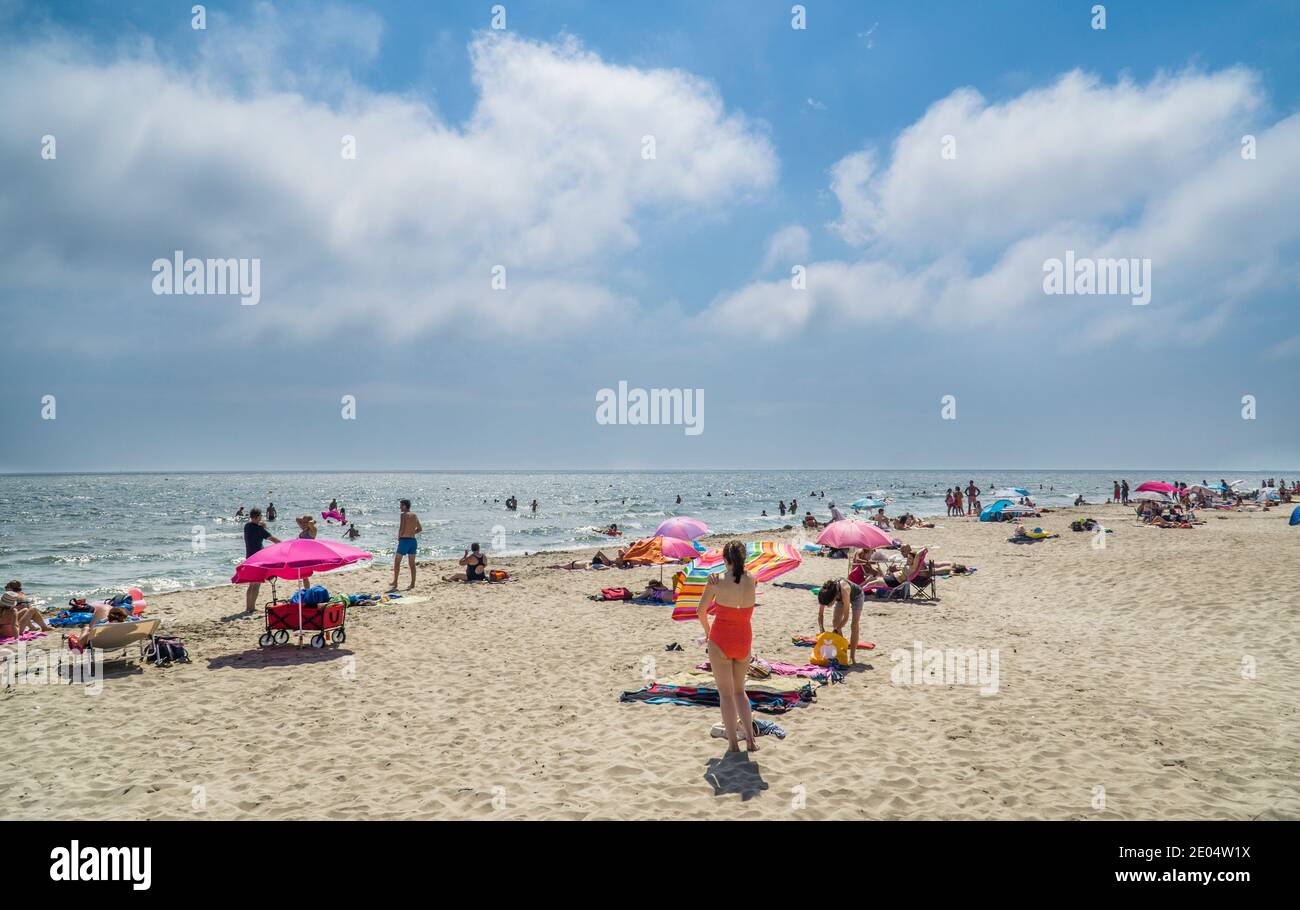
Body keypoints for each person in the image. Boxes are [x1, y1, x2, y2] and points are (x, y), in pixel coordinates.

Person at [695, 541, 758, 753]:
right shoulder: (753, 579)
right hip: (743, 641)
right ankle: (750, 740)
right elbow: (741, 578)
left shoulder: (716, 581)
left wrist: (706, 633)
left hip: (721, 639)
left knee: (726, 694)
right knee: (740, 692)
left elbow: (700, 611)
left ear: (725, 559)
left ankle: (733, 744)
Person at [817, 577, 865, 665]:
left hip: (857, 596)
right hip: (840, 598)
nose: (827, 606)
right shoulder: (824, 594)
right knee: (835, 621)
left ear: (834, 598)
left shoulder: (844, 591)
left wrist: (836, 630)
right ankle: (843, 649)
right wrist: (821, 628)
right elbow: (820, 614)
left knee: (854, 625)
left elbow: (846, 617)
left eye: (829, 604)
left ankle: (852, 657)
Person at [242, 508, 280, 612]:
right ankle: (252, 608)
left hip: (249, 557)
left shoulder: (247, 526)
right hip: (258, 559)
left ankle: (248, 607)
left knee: (251, 584)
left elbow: (255, 527)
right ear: (257, 516)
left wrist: (261, 525)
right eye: (260, 516)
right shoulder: (259, 529)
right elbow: (273, 539)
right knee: (256, 584)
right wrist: (284, 544)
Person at [390, 499, 422, 591]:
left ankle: (395, 582)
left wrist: (399, 537)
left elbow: (401, 528)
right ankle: (412, 584)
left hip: (404, 541)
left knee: (397, 562)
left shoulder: (403, 515)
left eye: (401, 505)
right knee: (412, 564)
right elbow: (420, 529)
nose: (399, 507)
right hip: (413, 541)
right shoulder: (414, 515)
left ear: (404, 506)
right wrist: (411, 532)